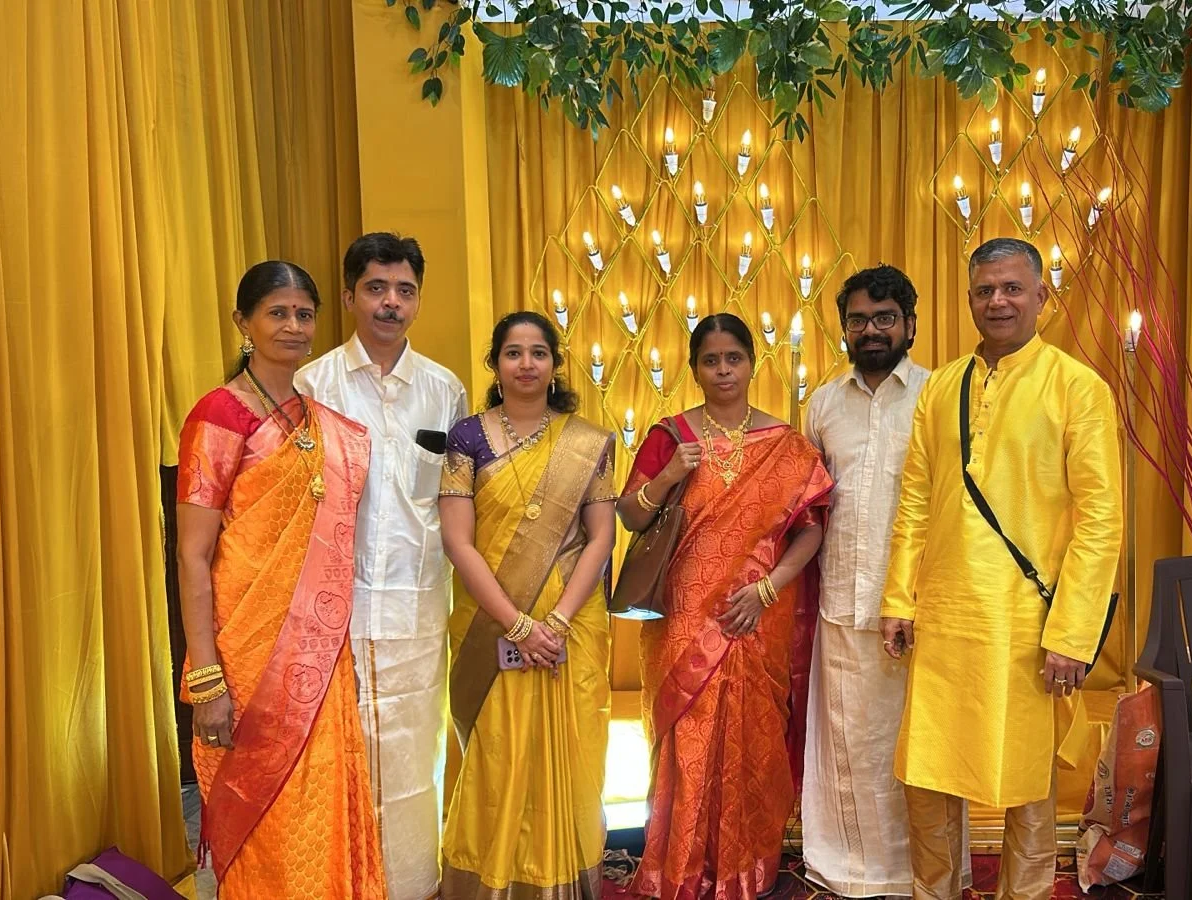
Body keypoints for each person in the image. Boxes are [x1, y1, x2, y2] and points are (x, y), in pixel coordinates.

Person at [880, 238, 1123, 900]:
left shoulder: (1078, 389)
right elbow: (917, 501)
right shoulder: (942, 388)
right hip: (944, 615)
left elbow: (1102, 521)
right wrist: (899, 599)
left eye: (1013, 288)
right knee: (927, 776)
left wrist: (1072, 634)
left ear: (1042, 296)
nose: (998, 301)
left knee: (1027, 785)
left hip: (1027, 624)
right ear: (968, 301)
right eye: (985, 291)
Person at [175, 260, 383, 899]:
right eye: (277, 313)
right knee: (267, 818)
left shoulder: (319, 424)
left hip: (317, 651)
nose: (293, 326)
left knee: (319, 802)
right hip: (247, 654)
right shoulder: (219, 416)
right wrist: (206, 675)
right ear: (243, 322)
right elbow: (191, 556)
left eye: (303, 314)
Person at [620, 313, 832, 900]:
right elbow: (630, 515)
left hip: (757, 612)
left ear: (750, 364)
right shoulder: (671, 436)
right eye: (710, 361)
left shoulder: (786, 444)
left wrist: (767, 589)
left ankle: (744, 867)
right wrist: (666, 477)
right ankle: (679, 867)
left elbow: (810, 530)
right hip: (685, 613)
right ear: (694, 369)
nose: (722, 371)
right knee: (685, 738)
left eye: (732, 359)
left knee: (755, 737)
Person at [294, 233, 467, 900]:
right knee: (346, 754)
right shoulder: (314, 385)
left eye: (404, 290)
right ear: (348, 297)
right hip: (336, 608)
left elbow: (455, 502)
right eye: (376, 289)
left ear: (418, 300)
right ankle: (346, 883)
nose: (391, 303)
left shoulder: (443, 389)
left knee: (413, 749)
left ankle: (414, 883)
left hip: (422, 601)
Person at [437, 311, 618, 900]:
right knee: (494, 754)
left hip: (570, 624)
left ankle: (564, 877)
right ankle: (489, 880)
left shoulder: (588, 441)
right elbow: (458, 542)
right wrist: (517, 625)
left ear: (554, 363)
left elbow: (602, 537)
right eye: (513, 353)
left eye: (538, 353)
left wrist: (557, 622)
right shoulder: (467, 437)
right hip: (491, 623)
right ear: (494, 364)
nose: (526, 365)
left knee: (572, 753)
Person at [801, 265, 967, 898]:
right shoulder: (822, 403)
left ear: (910, 324)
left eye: (884, 318)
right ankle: (848, 865)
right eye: (858, 320)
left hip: (923, 604)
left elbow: (951, 502)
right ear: (845, 328)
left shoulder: (939, 393)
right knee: (850, 741)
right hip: (841, 597)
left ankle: (924, 872)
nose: (871, 331)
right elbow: (807, 506)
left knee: (918, 745)